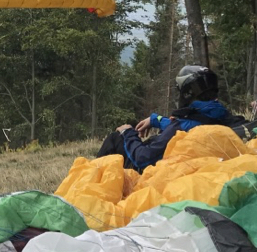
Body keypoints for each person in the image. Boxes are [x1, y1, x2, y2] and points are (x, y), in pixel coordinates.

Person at [97, 65, 248, 172]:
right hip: (191, 164)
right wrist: (156, 120)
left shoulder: (179, 127)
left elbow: (142, 158)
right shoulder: (221, 117)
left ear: (187, 94)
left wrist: (127, 133)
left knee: (115, 138)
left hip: (151, 170)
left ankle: (94, 180)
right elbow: (192, 124)